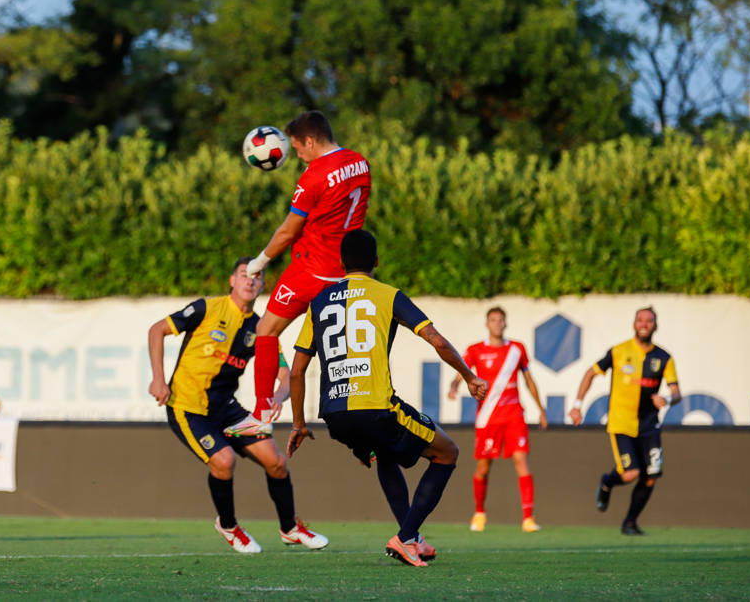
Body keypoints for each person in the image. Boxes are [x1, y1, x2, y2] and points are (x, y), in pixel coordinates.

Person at [287, 230, 487, 568]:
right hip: (376, 407)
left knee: (385, 455)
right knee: (447, 453)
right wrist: (469, 376)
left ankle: (413, 537)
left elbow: (296, 371)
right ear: (376, 262)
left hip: (335, 414)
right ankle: (406, 536)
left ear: (341, 263)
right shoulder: (388, 295)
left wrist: (298, 423)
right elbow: (436, 340)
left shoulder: (319, 301)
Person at [147, 257, 328, 554]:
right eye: (244, 275)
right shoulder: (207, 308)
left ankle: (290, 528)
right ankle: (229, 525)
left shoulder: (261, 328)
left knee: (277, 462)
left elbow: (285, 375)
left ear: (263, 285)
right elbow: (157, 330)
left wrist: (276, 399)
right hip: (188, 406)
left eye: (257, 277)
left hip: (226, 409)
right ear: (232, 280)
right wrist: (158, 379)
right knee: (224, 460)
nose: (250, 281)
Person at [238, 110, 372, 435]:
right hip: (345, 272)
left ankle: (261, 414)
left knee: (266, 332)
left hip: (311, 269)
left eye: (298, 149)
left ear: (311, 141)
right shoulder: (360, 162)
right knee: (334, 355)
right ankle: (361, 427)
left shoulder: (314, 175)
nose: (297, 155)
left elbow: (288, 231)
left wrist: (257, 263)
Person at [568, 307, 681, 536]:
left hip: (649, 425)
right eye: (640, 320)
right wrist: (577, 405)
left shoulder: (663, 358)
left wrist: (667, 399)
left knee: (651, 477)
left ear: (655, 325)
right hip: (621, 423)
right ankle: (607, 482)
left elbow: (677, 393)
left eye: (649, 321)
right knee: (630, 473)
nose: (644, 324)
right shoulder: (619, 351)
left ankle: (630, 522)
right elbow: (590, 373)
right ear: (634, 324)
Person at [448, 306, 548, 533]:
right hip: (488, 418)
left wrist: (541, 409)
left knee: (521, 460)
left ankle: (528, 518)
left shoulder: (517, 349)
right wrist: (454, 386)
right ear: (487, 323)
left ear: (505, 323)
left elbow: (529, 381)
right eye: (493, 320)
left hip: (514, 415)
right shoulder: (475, 350)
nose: (497, 323)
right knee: (483, 467)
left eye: (501, 320)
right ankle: (480, 513)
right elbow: (461, 373)